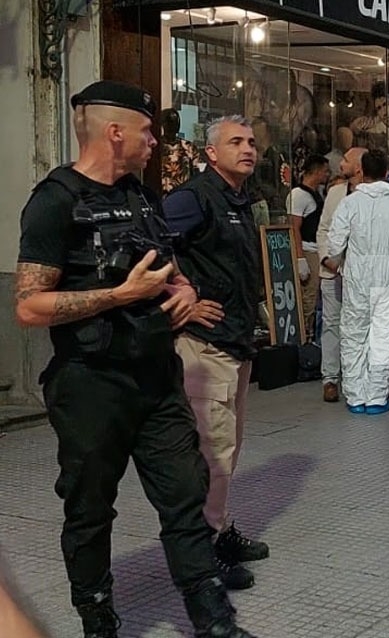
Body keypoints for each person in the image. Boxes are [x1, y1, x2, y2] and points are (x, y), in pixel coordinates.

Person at [14, 80, 254, 637]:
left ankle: (213, 621)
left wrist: (183, 291)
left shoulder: (141, 197)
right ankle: (98, 618)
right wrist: (121, 295)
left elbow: (169, 268)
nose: (155, 141)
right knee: (90, 507)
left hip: (157, 378)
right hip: (91, 384)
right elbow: (28, 305)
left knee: (185, 495)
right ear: (115, 132)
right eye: (147, 131)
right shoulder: (56, 200)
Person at [163, 115, 269, 590]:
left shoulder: (238, 199)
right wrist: (178, 297)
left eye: (251, 142)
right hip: (205, 348)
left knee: (227, 448)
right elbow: (147, 244)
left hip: (236, 344)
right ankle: (201, 553)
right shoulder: (193, 198)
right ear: (210, 153)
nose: (247, 149)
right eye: (235, 142)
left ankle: (220, 531)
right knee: (211, 456)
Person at [326, 149, 389, 414]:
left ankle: (355, 397)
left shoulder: (350, 203)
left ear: (362, 171)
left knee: (354, 334)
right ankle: (377, 397)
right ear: (387, 172)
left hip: (357, 275)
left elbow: (334, 243)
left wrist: (344, 258)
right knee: (383, 336)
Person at [315, 150, 367, 403]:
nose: (341, 164)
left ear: (358, 167)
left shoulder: (373, 195)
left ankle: (356, 376)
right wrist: (327, 259)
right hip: (332, 270)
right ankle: (330, 379)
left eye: (346, 160)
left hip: (360, 273)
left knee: (359, 326)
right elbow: (324, 228)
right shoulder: (335, 192)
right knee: (331, 324)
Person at [287, 155, 331, 343]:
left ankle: (311, 335)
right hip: (307, 250)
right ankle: (304, 337)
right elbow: (294, 227)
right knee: (308, 298)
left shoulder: (317, 193)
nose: (327, 175)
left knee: (315, 299)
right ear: (317, 171)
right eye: (326, 171)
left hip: (317, 250)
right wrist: (300, 258)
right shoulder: (298, 195)